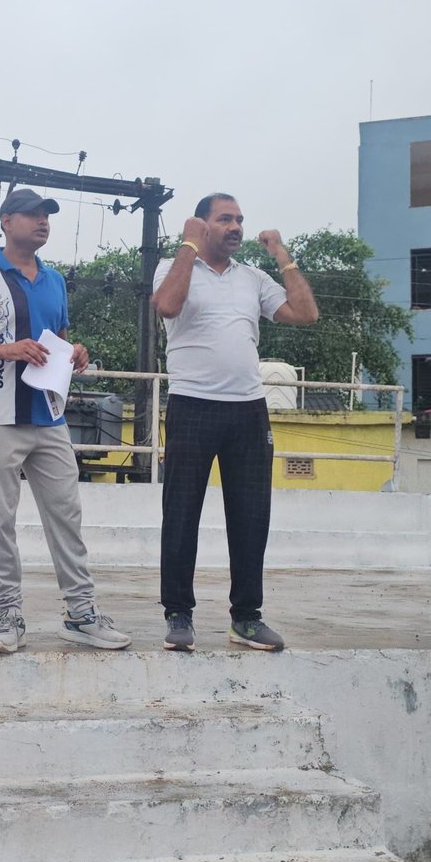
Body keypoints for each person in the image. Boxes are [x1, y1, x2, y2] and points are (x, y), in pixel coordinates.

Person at [0, 188, 132, 653]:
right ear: (5, 221)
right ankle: (9, 615)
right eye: (31, 214)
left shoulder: (55, 280)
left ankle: (81, 614)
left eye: (46, 215)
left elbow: (58, 339)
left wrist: (75, 352)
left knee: (67, 514)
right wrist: (3, 349)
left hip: (49, 417)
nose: (42, 221)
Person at [149, 193, 319, 652]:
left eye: (239, 219)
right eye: (225, 219)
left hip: (248, 409)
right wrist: (188, 246)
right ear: (202, 225)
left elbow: (305, 313)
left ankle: (246, 618)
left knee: (251, 516)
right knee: (181, 513)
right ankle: (178, 614)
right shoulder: (174, 267)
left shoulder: (253, 278)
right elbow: (166, 306)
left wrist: (281, 254)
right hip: (192, 404)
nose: (236, 227)